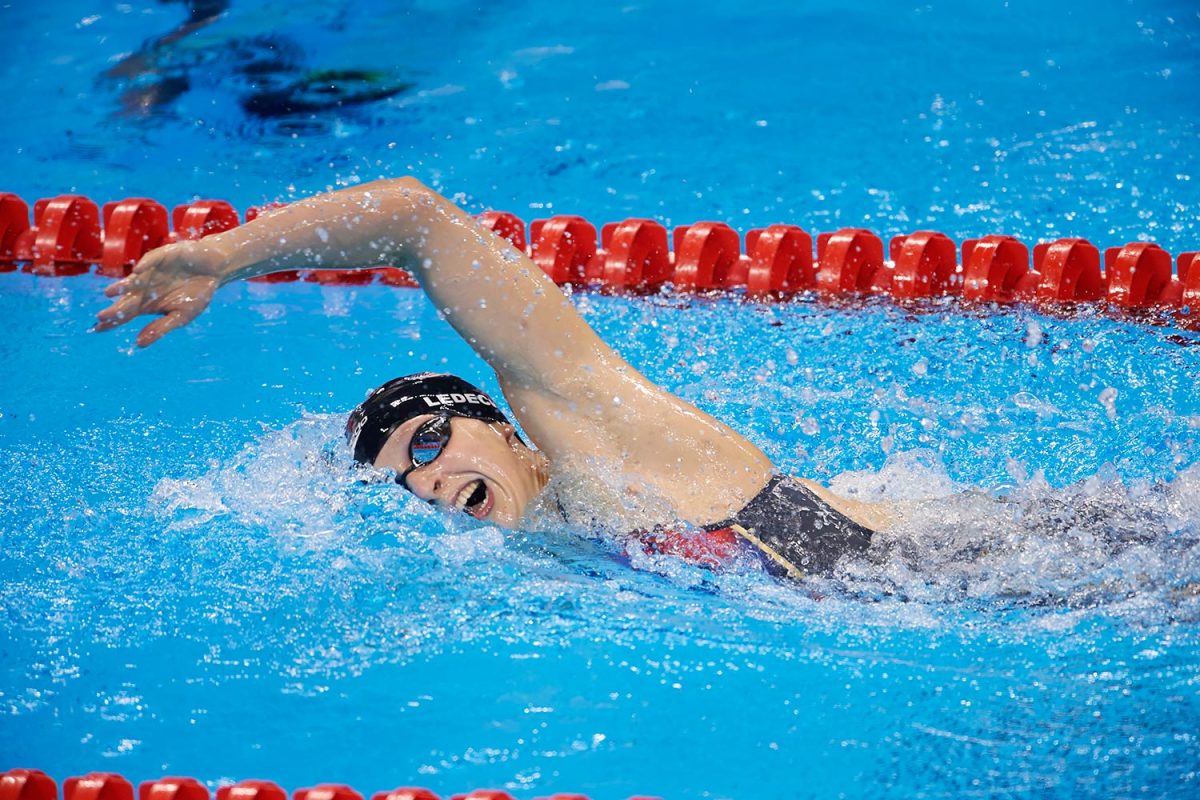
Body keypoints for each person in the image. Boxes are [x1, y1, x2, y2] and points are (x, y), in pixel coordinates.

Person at [95, 177, 899, 581]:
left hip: (954, 573)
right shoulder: (568, 550)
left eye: (428, 441)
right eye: (406, 481)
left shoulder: (610, 450)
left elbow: (414, 218)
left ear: (510, 428)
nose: (428, 481)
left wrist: (225, 257)